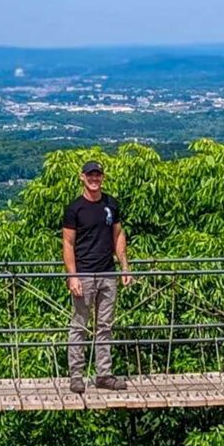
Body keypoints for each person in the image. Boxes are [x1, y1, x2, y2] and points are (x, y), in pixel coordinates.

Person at [62, 160, 132, 393]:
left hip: (108, 273)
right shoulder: (75, 208)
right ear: (82, 177)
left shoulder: (111, 204)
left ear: (102, 177)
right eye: (90, 175)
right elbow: (68, 242)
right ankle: (76, 376)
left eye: (98, 175)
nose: (94, 179)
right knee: (79, 325)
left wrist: (124, 267)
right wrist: (72, 276)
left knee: (105, 326)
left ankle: (103, 374)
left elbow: (118, 234)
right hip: (84, 274)